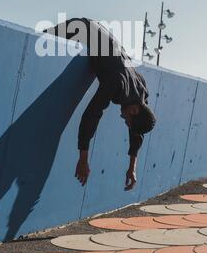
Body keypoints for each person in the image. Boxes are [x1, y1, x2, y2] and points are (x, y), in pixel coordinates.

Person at [43, 18, 156, 191]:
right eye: (126, 120)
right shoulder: (117, 82)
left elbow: (137, 133)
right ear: (134, 110)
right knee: (43, 40)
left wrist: (132, 167)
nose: (122, 118)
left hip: (99, 31)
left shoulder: (141, 89)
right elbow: (92, 114)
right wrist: (83, 158)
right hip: (83, 28)